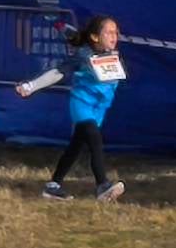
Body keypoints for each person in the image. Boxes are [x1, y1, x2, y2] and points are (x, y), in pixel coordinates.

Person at [38, 14, 125, 200]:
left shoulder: (113, 56)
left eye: (116, 32)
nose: (114, 36)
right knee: (95, 141)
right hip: (82, 103)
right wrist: (31, 86)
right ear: (95, 37)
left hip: (99, 109)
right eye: (109, 32)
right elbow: (59, 72)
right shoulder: (83, 55)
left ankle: (53, 186)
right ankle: (102, 185)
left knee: (75, 147)